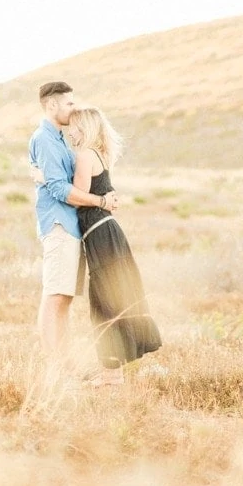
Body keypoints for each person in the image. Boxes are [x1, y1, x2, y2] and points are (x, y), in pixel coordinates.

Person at [65, 106, 162, 386]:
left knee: (104, 300)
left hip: (99, 234)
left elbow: (76, 197)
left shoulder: (85, 155)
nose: (70, 131)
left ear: (83, 127)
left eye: (73, 126)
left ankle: (111, 375)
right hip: (107, 231)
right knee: (111, 296)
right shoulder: (100, 154)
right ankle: (113, 372)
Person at [29, 81, 118, 369]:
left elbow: (61, 180)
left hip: (71, 227)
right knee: (55, 296)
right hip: (59, 224)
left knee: (64, 299)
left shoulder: (60, 140)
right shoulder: (44, 138)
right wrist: (101, 201)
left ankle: (63, 363)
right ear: (52, 105)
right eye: (68, 103)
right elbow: (59, 188)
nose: (73, 108)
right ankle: (55, 365)